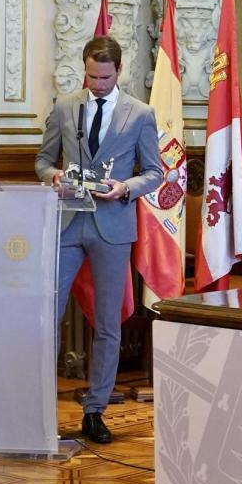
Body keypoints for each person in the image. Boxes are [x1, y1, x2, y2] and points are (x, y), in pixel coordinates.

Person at [35, 35, 163, 443]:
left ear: (118, 71)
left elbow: (156, 172)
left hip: (112, 224)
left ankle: (95, 411)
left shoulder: (140, 114)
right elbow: (42, 160)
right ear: (84, 68)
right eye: (91, 76)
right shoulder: (65, 106)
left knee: (108, 323)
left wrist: (124, 188)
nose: (98, 84)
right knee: (46, 317)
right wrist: (52, 176)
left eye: (105, 77)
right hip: (68, 222)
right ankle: (38, 407)